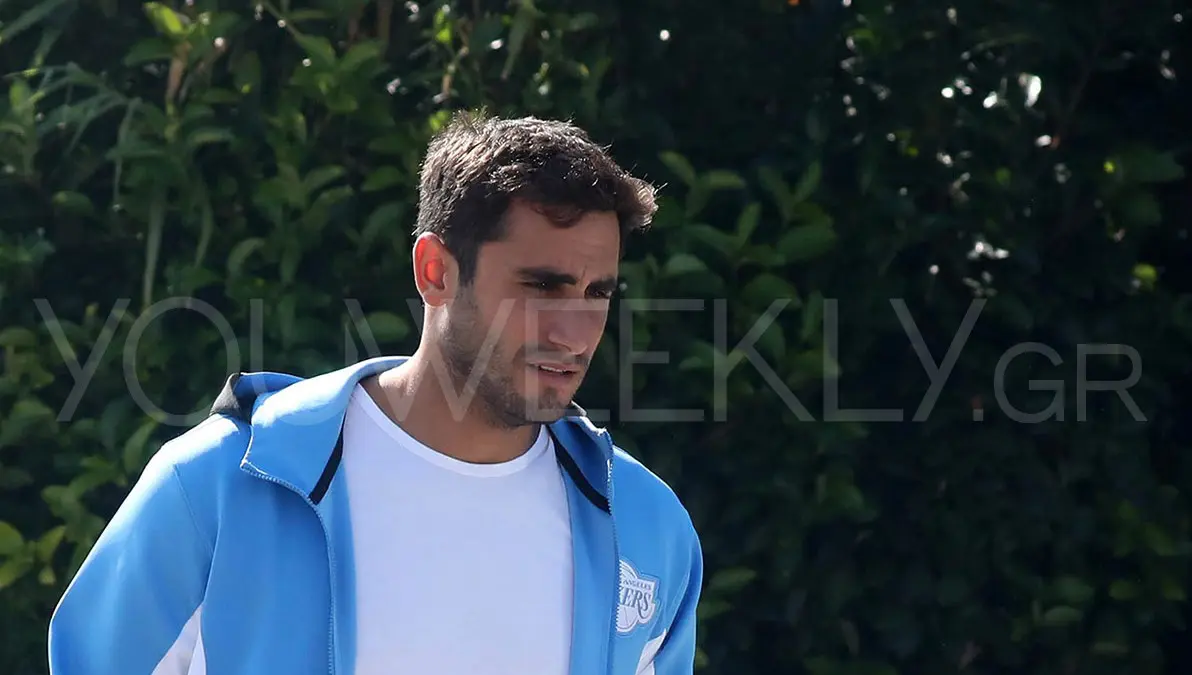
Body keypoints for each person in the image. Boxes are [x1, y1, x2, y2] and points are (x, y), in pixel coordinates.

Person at [46, 111, 704, 675]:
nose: (574, 333)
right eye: (541, 286)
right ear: (435, 271)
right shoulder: (221, 483)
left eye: (597, 293)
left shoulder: (648, 529)